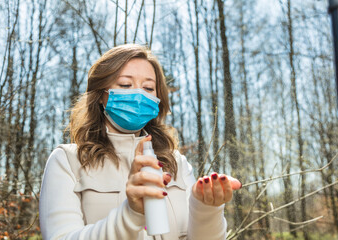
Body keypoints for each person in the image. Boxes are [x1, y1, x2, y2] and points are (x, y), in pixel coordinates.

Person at [39, 44, 240, 240]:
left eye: (148, 87)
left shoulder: (176, 163)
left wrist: (206, 207)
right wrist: (130, 214)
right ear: (101, 95)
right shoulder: (68, 161)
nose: (139, 95)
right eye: (126, 85)